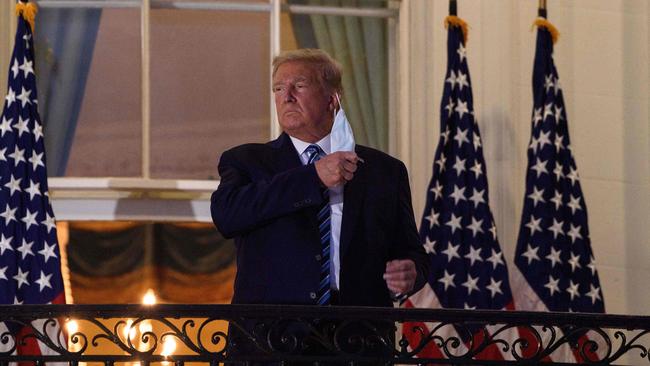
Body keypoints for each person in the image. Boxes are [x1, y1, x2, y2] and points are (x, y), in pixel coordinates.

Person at [211, 49, 429, 363]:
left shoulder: (384, 171)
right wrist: (312, 176)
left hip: (358, 341)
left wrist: (412, 272)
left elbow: (411, 252)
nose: (285, 96)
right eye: (278, 88)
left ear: (332, 99)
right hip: (270, 343)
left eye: (298, 86)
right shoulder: (246, 161)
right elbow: (227, 216)